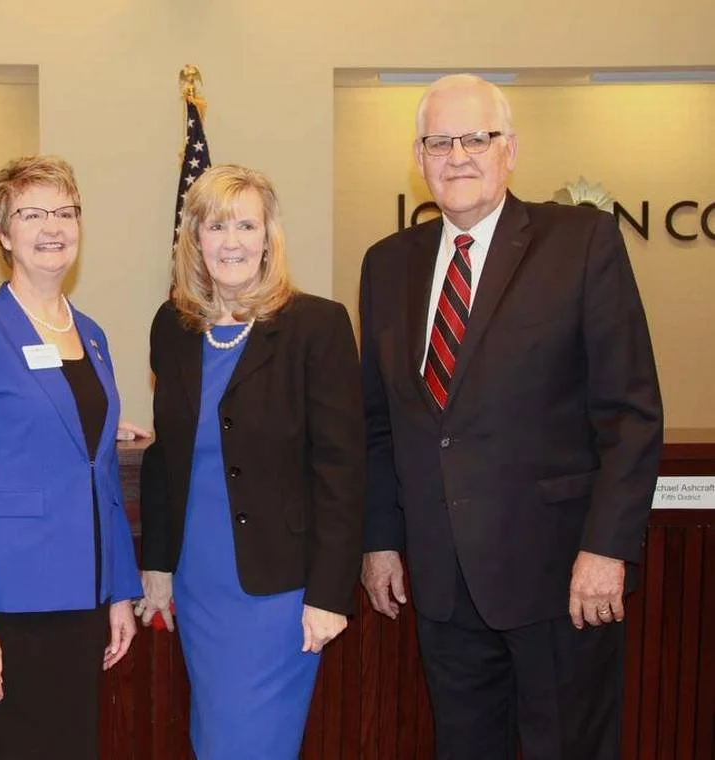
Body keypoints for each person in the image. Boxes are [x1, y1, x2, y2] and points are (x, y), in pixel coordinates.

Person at [358, 74, 663, 760]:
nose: (458, 155)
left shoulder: (579, 242)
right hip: (442, 581)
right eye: (440, 141)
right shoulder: (387, 265)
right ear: (419, 154)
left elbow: (630, 412)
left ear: (511, 149)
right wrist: (380, 541)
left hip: (561, 576)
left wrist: (607, 548)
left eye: (477, 138)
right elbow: (379, 424)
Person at [137, 163, 366, 759]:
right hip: (199, 580)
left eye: (246, 224)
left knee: (251, 743)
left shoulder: (317, 325)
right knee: (213, 736)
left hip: (280, 592)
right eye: (216, 225)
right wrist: (157, 564)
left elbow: (342, 469)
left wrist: (330, 594)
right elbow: (167, 456)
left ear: (269, 238)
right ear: (194, 238)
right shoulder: (173, 325)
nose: (231, 241)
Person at [0, 155, 142, 760]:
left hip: (83, 600)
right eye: (31, 213)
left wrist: (120, 591)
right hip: (7, 606)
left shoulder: (93, 335)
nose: (52, 226)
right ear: (3, 233)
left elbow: (97, 471)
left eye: (64, 211)